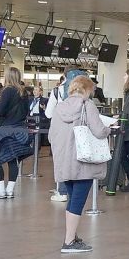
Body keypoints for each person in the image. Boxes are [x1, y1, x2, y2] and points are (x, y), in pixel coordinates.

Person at [49, 75, 116, 253]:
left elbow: (50, 135)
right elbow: (99, 130)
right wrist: (110, 129)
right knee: (78, 201)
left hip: (64, 161)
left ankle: (71, 236)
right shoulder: (87, 105)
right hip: (83, 161)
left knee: (73, 200)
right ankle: (69, 242)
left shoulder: (60, 107)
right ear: (86, 90)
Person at [0, 66, 31, 199]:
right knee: (13, 160)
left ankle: (0, 190)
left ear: (8, 77)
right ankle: (10, 190)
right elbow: (27, 111)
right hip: (20, 130)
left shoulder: (8, 90)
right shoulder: (24, 92)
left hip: (5, 131)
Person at [46, 69, 88, 202]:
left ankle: (62, 191)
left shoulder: (57, 91)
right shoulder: (84, 91)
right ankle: (74, 190)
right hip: (79, 130)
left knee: (61, 160)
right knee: (75, 160)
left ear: (64, 76)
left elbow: (48, 113)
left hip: (61, 130)